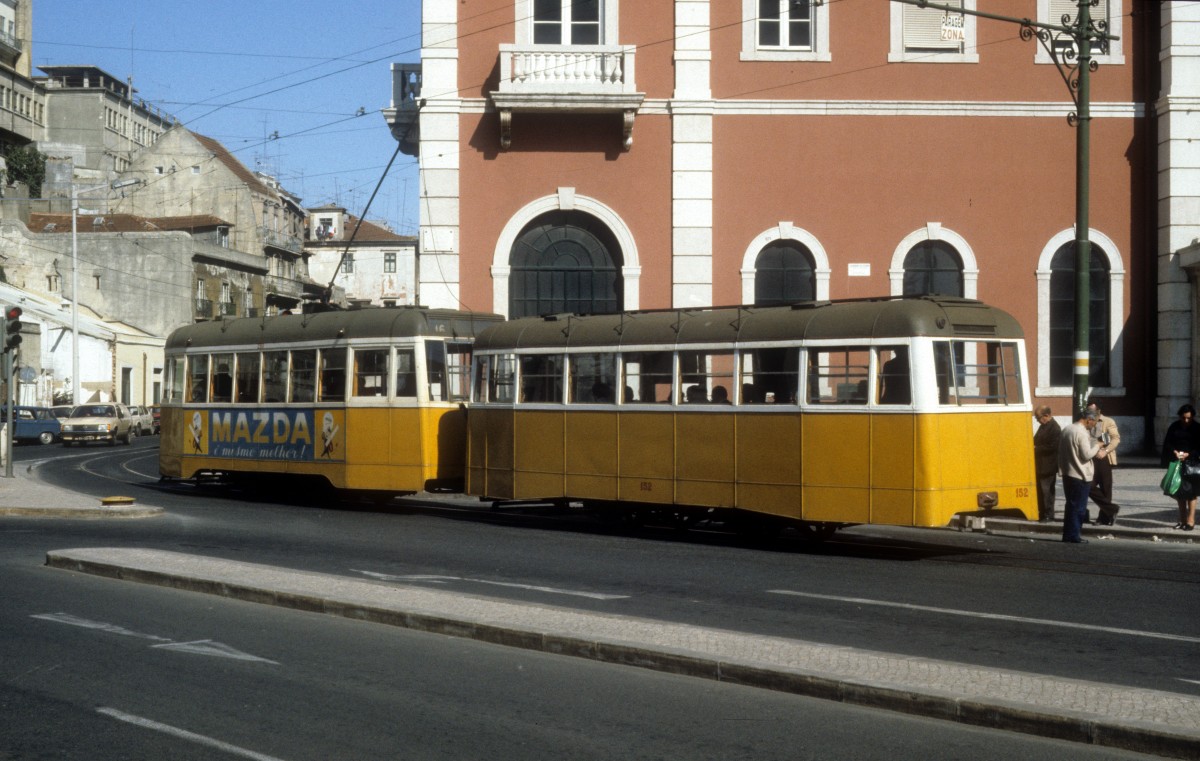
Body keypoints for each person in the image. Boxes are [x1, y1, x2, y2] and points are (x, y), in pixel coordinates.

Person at [1058, 408, 1102, 544]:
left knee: (1070, 506)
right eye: (1094, 422)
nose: (1094, 425)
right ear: (1089, 419)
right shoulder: (1081, 433)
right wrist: (1098, 446)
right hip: (1080, 474)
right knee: (1079, 508)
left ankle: (1068, 534)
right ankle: (1074, 535)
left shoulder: (1067, 429)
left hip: (1067, 473)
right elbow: (1086, 455)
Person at [1161, 403, 1200, 532]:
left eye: (1189, 418)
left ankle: (1191, 520)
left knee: (1191, 492)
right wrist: (1175, 452)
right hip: (1177, 462)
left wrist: (1189, 454)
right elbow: (1168, 443)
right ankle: (1182, 520)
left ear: (1193, 417)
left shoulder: (1197, 428)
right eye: (1184, 418)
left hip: (1192, 464)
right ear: (1180, 416)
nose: (1186, 420)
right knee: (1178, 491)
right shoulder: (1174, 427)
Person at [1085, 399, 1121, 525]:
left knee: (1106, 488)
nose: (1090, 412)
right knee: (1089, 486)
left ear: (1099, 411)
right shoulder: (1086, 421)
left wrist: (1105, 450)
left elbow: (1115, 438)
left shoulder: (1107, 421)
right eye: (1089, 410)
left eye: (1093, 410)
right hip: (1090, 457)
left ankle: (1104, 518)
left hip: (1103, 457)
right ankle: (1111, 509)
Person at [1032, 406, 1061, 522]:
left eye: (1038, 418)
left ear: (1046, 416)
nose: (1037, 420)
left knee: (1047, 491)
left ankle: (1048, 514)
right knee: (1040, 491)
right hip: (1040, 465)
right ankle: (1042, 512)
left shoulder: (1055, 428)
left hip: (1048, 465)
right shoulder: (1043, 426)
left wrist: (1036, 448)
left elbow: (1053, 447)